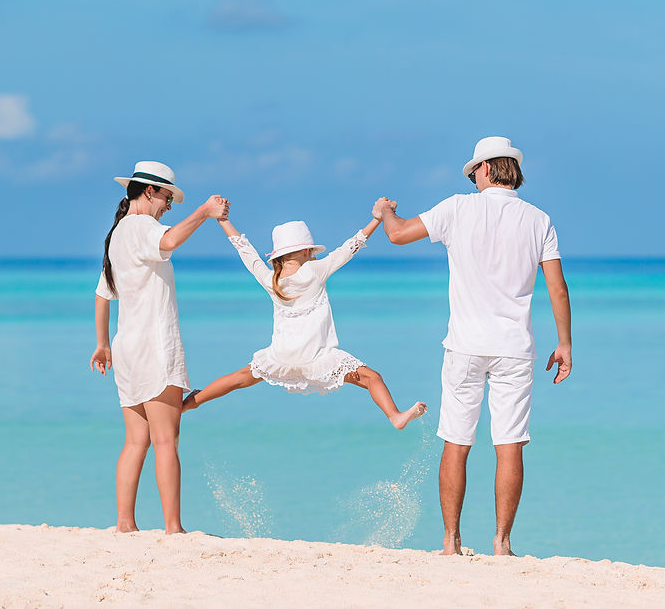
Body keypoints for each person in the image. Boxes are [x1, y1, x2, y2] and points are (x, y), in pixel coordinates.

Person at [374, 136, 572, 556]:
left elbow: (397, 236)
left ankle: (450, 542)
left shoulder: (456, 208)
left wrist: (386, 211)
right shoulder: (539, 219)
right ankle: (501, 544)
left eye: (472, 172)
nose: (471, 179)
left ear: (484, 170)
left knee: (456, 442)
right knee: (510, 443)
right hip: (515, 347)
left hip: (465, 345)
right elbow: (556, 286)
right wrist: (565, 342)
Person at [181, 211, 427, 429]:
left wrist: (223, 221)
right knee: (373, 378)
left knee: (237, 379)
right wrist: (377, 218)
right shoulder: (315, 271)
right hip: (317, 358)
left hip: (281, 357)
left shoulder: (270, 280)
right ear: (307, 251)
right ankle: (394, 416)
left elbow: (245, 251)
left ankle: (189, 403)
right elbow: (350, 247)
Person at [89, 161, 229, 534]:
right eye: (168, 197)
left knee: (136, 441)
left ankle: (124, 525)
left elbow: (103, 296)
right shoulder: (141, 227)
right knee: (166, 438)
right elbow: (168, 241)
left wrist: (103, 344)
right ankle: (172, 528)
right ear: (149, 191)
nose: (169, 205)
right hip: (154, 346)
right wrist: (204, 212)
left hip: (127, 350)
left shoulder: (117, 234)